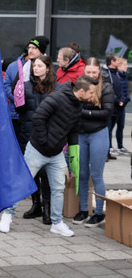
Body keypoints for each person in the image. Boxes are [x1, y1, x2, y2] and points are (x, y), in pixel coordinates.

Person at [20, 75, 98, 237]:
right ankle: (8, 214)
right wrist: (44, 141)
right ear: (81, 91)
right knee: (22, 184)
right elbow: (38, 117)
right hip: (37, 149)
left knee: (58, 189)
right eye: (91, 92)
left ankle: (57, 223)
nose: (93, 96)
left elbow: (73, 130)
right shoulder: (57, 97)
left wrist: (73, 154)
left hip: (56, 154)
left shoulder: (78, 104)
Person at [0, 56, 56, 232]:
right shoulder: (25, 84)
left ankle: (48, 210)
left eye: (39, 65)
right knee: (26, 173)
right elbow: (19, 108)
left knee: (48, 174)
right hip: (28, 133)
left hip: (48, 136)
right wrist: (18, 96)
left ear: (47, 68)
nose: (35, 68)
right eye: (33, 66)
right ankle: (24, 207)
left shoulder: (55, 87)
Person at [73, 57, 114, 227]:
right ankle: (83, 210)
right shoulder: (80, 84)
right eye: (88, 72)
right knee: (82, 174)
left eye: (94, 72)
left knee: (96, 175)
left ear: (99, 71)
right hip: (81, 134)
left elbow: (107, 113)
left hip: (98, 134)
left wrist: (85, 113)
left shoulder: (105, 86)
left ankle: (98, 213)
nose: (91, 75)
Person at [103, 53, 128, 157]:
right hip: (111, 107)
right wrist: (117, 100)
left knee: (113, 127)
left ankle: (110, 150)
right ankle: (107, 151)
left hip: (118, 108)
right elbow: (109, 90)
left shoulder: (116, 73)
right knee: (108, 129)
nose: (119, 62)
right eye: (117, 60)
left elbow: (120, 90)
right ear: (112, 62)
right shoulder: (107, 74)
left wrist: (122, 99)